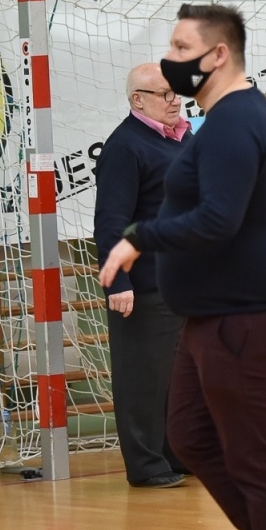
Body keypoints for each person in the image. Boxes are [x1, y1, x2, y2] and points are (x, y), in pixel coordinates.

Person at [98, 3, 266, 530]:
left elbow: (218, 220)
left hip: (248, 311)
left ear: (217, 56)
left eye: (182, 46)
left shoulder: (231, 123)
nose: (172, 58)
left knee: (252, 456)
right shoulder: (222, 121)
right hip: (213, 311)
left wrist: (138, 237)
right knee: (189, 434)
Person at [93, 64, 192, 489]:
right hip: (144, 283)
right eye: (165, 94)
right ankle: (146, 464)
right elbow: (110, 222)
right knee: (143, 379)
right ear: (139, 100)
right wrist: (118, 282)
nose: (176, 101)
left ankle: (174, 454)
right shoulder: (125, 147)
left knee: (177, 378)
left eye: (177, 93)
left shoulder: (184, 137)